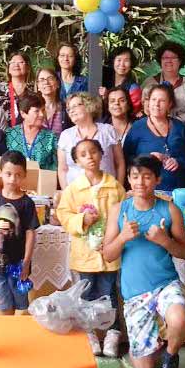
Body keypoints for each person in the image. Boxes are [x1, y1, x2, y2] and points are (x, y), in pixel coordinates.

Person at [101, 155, 185, 368]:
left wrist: (165, 241)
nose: (140, 182)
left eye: (147, 176)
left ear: (158, 179)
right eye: (135, 176)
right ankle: (155, 345)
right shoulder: (118, 210)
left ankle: (171, 356)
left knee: (178, 319)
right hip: (135, 291)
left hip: (165, 283)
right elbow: (108, 254)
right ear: (128, 179)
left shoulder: (170, 209)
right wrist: (122, 237)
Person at [56, 139, 126, 357]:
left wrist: (114, 238)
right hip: (85, 253)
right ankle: (89, 334)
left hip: (109, 252)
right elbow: (63, 214)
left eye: (93, 152)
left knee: (109, 293)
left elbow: (124, 213)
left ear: (101, 154)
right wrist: (81, 220)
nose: (90, 157)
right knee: (85, 294)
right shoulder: (73, 189)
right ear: (77, 161)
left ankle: (113, 334)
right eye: (83, 154)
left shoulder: (114, 186)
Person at [0, 151, 40, 315]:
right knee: (3, 304)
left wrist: (26, 262)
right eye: (8, 174)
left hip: (18, 264)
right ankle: (7, 329)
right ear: (0, 172)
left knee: (21, 305)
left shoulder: (27, 203)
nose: (12, 179)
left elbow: (30, 233)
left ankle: (20, 330)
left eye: (18, 175)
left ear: (24, 175)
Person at [122, 84, 185, 193]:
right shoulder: (138, 127)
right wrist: (148, 158)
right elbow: (126, 158)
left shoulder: (180, 127)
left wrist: (178, 162)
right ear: (148, 102)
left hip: (177, 191)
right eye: (153, 99)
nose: (157, 104)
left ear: (170, 104)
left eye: (162, 101)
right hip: (147, 191)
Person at [58, 92, 124, 188]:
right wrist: (66, 193)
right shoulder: (66, 135)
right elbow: (63, 169)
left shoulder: (108, 131)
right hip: (76, 193)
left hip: (107, 191)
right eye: (69, 109)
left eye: (75, 106)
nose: (71, 111)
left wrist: (119, 189)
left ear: (89, 105)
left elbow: (120, 163)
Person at [141, 42, 185, 125]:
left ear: (180, 61)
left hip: (182, 128)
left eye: (173, 58)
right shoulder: (149, 83)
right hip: (153, 127)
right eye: (165, 58)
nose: (169, 61)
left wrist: (173, 122)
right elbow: (142, 108)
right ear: (160, 60)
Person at [5, 93, 57, 172]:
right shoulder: (10, 134)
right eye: (37, 111)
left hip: (42, 178)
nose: (41, 114)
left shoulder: (51, 137)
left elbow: (57, 166)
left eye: (43, 110)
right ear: (23, 113)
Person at [0, 52, 34, 123]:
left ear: (28, 68)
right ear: (8, 69)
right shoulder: (0, 89)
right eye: (13, 62)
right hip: (4, 128)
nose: (16, 65)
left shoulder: (35, 88)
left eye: (20, 62)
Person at [35, 66, 68, 136]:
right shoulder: (32, 108)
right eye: (42, 80)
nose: (46, 82)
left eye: (50, 78)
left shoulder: (66, 108)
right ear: (38, 86)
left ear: (58, 83)